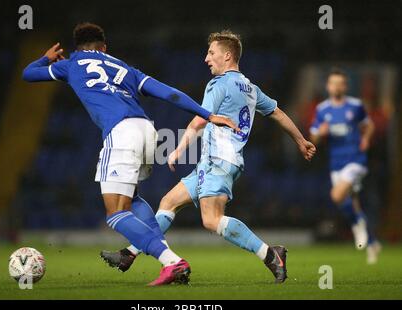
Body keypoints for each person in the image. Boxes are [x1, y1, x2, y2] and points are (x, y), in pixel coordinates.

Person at [22, 23, 239, 285]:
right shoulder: (125, 67)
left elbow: (28, 74)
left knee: (115, 214)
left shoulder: (70, 64)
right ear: (104, 48)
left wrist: (45, 58)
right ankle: (169, 260)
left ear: (78, 47)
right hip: (147, 130)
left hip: (121, 133)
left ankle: (172, 261)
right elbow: (168, 93)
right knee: (133, 199)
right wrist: (208, 115)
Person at [102, 30, 316, 283]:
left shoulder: (219, 84)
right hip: (215, 162)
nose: (206, 58)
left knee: (211, 220)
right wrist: (300, 140)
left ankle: (270, 254)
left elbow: (201, 117)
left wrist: (179, 149)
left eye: (211, 53)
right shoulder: (250, 87)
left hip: (220, 161)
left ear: (227, 56)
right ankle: (130, 253)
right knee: (169, 202)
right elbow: (278, 113)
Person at [309, 68, 381, 264]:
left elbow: (370, 125)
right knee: (351, 203)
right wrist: (320, 133)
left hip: (356, 160)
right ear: (328, 86)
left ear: (345, 86)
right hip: (336, 164)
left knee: (336, 195)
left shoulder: (356, 106)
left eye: (340, 83)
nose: (337, 86)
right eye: (333, 83)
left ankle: (357, 225)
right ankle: (373, 243)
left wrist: (365, 139)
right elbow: (313, 136)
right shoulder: (322, 109)